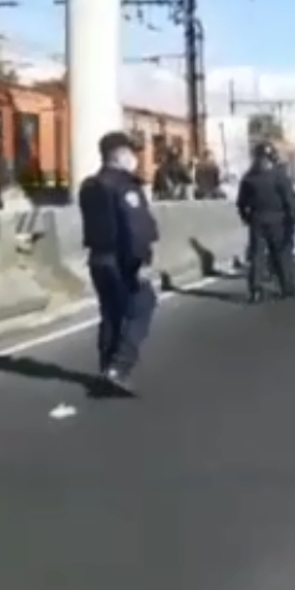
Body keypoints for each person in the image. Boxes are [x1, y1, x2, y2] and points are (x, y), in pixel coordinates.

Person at [78, 131, 160, 394]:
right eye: (131, 153)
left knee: (111, 314)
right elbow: (136, 227)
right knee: (143, 304)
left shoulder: (89, 186)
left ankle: (106, 368)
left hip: (97, 259)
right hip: (122, 260)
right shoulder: (125, 186)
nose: (135, 158)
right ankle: (120, 366)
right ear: (121, 155)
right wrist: (141, 262)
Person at [237, 141, 295, 303]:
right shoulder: (280, 177)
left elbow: (241, 203)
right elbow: (289, 201)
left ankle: (255, 289)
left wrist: (248, 218)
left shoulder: (249, 178)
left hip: (258, 220)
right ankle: (286, 287)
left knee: (257, 256)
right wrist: (292, 220)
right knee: (281, 254)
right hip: (278, 220)